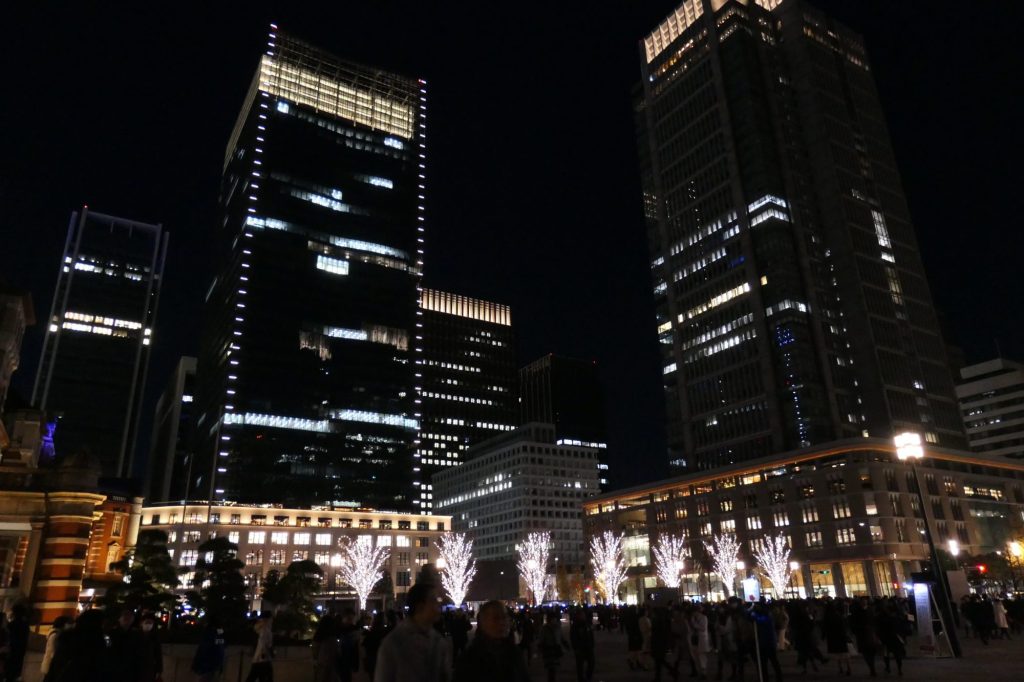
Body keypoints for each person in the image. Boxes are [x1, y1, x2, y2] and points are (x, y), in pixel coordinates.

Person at [374, 582, 451, 682]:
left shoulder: (438, 642)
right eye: (434, 601)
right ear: (420, 606)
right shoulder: (393, 644)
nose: (439, 605)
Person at [453, 601, 529, 682]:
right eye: (496, 618)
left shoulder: (515, 653)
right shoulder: (469, 660)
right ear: (483, 622)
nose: (502, 622)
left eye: (505, 617)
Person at [107, 608, 143, 682]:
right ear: (119, 619)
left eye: (129, 618)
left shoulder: (137, 635)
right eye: (125, 618)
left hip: (130, 670)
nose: (127, 620)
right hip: (114, 670)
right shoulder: (111, 634)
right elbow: (107, 651)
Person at [751, 604, 783, 682]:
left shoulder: (767, 617)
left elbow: (759, 620)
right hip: (763, 643)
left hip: (769, 643)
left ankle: (778, 677)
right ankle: (765, 678)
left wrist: (753, 614)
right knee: (764, 663)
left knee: (773, 661)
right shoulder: (766, 616)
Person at [191, 615, 226, 682]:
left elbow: (204, 648)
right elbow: (222, 643)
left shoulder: (208, 632)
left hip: (207, 664)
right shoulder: (218, 632)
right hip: (215, 664)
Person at [539, 611, 568, 682]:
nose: (554, 620)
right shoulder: (544, 629)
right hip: (548, 650)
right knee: (551, 670)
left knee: (554, 669)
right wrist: (541, 648)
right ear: (549, 619)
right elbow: (541, 640)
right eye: (553, 619)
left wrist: (565, 644)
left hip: (556, 650)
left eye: (555, 619)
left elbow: (561, 637)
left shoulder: (558, 627)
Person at [41, 615, 72, 682]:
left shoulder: (54, 633)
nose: (70, 625)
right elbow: (53, 650)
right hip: (52, 663)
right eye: (68, 623)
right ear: (62, 624)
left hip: (49, 662)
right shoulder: (56, 635)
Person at [246, 612, 275, 682]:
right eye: (271, 618)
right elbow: (266, 644)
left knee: (253, 677)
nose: (272, 620)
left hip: (257, 659)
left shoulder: (260, 629)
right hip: (264, 659)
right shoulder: (266, 630)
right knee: (266, 678)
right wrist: (272, 652)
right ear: (267, 619)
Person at [569, 609, 596, 682]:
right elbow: (573, 638)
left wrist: (592, 644)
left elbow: (590, 635)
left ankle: (587, 677)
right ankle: (581, 679)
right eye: (581, 615)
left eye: (583, 615)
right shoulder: (575, 626)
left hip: (588, 647)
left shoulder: (587, 624)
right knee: (580, 665)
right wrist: (575, 648)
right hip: (580, 648)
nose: (583, 616)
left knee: (591, 663)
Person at [5, 604, 29, 682]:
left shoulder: (11, 624)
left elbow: (7, 637)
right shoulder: (25, 624)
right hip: (20, 649)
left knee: (9, 668)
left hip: (11, 649)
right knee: (17, 667)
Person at [362, 612, 389, 682]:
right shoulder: (385, 633)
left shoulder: (370, 633)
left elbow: (364, 646)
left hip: (372, 660)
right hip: (380, 660)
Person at [138, 613, 164, 682]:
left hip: (149, 669)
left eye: (151, 623)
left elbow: (158, 655)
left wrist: (159, 671)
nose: (149, 625)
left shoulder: (155, 638)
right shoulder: (135, 636)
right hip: (136, 669)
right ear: (141, 623)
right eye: (147, 622)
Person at [312, 614, 338, 682]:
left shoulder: (318, 636)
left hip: (321, 663)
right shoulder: (333, 636)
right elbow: (336, 651)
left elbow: (315, 651)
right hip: (331, 664)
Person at [688, 604, 710, 680]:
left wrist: (694, 624)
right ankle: (701, 672)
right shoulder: (693, 618)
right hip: (695, 639)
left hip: (701, 639)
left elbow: (703, 628)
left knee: (702, 656)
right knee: (696, 656)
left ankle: (704, 673)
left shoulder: (703, 617)